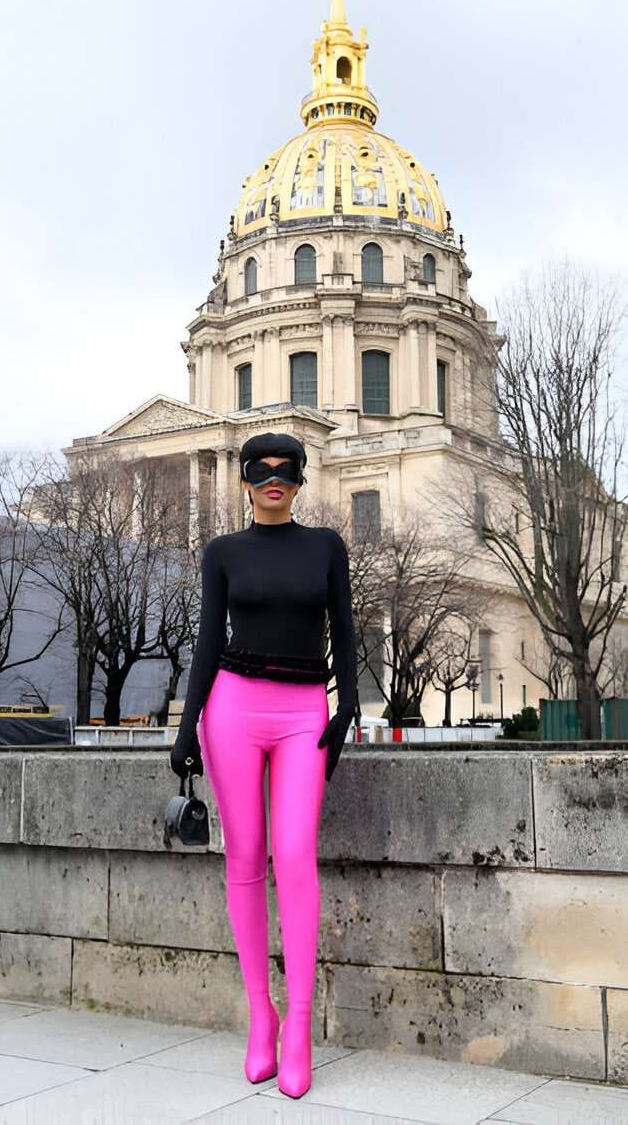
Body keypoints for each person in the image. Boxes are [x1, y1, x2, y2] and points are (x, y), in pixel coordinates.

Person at [170, 431, 358, 1100]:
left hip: (306, 706)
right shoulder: (222, 552)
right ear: (244, 480)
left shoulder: (326, 546)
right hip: (232, 708)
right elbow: (206, 637)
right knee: (245, 854)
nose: (274, 479)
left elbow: (344, 623)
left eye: (286, 470)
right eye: (261, 470)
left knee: (296, 853)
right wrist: (188, 723)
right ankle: (261, 1016)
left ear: (302, 479)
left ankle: (300, 1028)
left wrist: (349, 707)